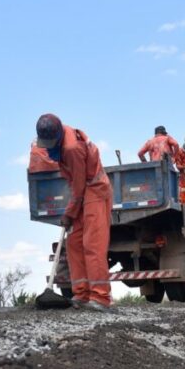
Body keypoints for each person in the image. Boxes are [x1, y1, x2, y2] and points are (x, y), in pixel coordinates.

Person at [35, 113, 113, 311]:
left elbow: (78, 186)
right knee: (74, 244)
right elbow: (76, 188)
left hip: (95, 189)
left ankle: (100, 297)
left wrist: (69, 213)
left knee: (92, 243)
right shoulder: (60, 139)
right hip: (81, 192)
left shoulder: (71, 149)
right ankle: (82, 294)